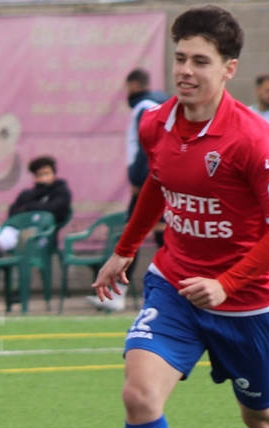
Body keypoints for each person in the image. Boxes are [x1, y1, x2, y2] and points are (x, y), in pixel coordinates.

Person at [93, 5, 269, 428]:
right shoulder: (156, 124)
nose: (186, 70)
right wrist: (126, 248)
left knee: (264, 420)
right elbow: (157, 189)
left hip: (245, 304)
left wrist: (228, 282)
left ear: (228, 68)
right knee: (139, 396)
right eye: (180, 57)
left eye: (200, 61)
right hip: (176, 286)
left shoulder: (254, 139)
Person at [88, 69, 169, 311]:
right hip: (154, 180)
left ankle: (121, 294)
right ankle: (121, 293)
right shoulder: (157, 104)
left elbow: (149, 147)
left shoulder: (144, 107)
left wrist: (138, 179)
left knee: (140, 235)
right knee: (152, 235)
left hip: (149, 183)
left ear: (133, 85)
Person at [0, 157, 71, 302]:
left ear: (54, 174)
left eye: (47, 173)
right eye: (39, 175)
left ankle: (21, 289)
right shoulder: (27, 194)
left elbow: (53, 210)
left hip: (42, 236)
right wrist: (34, 203)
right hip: (15, 231)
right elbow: (13, 213)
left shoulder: (61, 192)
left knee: (27, 240)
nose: (43, 178)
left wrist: (28, 207)